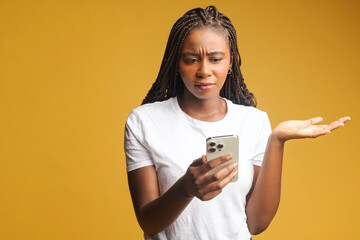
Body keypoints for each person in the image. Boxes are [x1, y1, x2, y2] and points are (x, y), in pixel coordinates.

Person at [124, 6, 350, 240]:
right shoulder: (144, 121)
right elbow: (148, 222)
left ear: (230, 62)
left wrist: (277, 140)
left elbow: (256, 224)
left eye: (215, 59)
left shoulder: (253, 121)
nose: (204, 71)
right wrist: (186, 188)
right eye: (191, 59)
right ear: (176, 63)